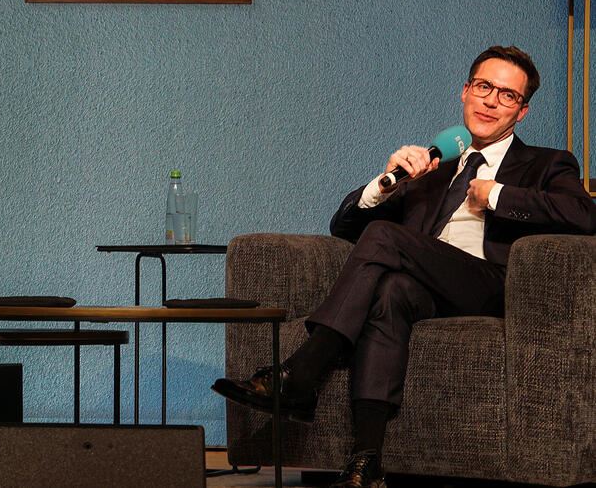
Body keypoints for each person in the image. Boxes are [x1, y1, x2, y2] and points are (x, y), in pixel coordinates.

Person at [212, 46, 596, 488]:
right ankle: (366, 461)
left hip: (494, 285)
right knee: (390, 290)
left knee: (385, 239)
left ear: (522, 112)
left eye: (507, 95)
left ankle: (300, 375)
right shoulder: (433, 165)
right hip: (425, 288)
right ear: (465, 91)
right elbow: (343, 226)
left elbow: (584, 215)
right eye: (484, 87)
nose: (491, 101)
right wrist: (384, 183)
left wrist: (496, 195)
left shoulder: (546, 163)